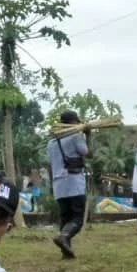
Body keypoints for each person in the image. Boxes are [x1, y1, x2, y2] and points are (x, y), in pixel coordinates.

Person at [47, 110, 91, 259]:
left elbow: (51, 164)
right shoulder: (75, 136)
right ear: (72, 123)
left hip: (58, 184)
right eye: (77, 122)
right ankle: (64, 237)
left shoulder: (52, 142)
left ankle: (66, 252)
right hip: (73, 182)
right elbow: (87, 153)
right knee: (78, 218)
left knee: (66, 218)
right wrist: (88, 135)